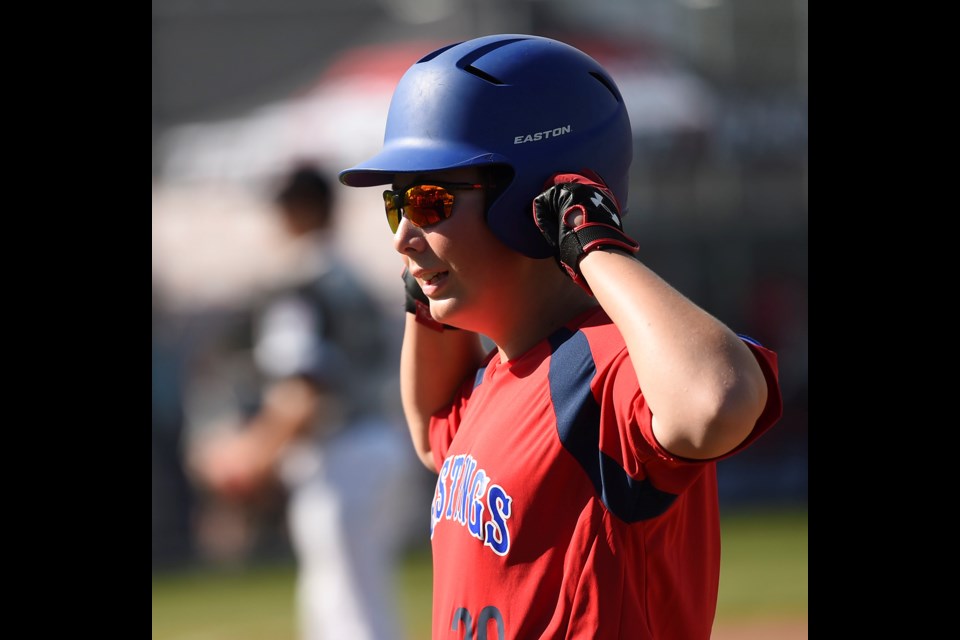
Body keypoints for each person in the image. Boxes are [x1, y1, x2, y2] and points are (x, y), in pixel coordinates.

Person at [337, 34, 784, 640]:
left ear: (534, 203)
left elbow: (718, 401)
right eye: (397, 205)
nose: (401, 235)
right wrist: (426, 281)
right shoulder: (504, 372)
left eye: (430, 200)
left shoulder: (604, 364)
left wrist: (594, 246)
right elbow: (429, 429)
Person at [189, 164, 415, 640]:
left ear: (296, 210)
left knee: (346, 613)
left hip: (342, 454)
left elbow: (303, 391)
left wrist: (250, 458)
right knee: (358, 601)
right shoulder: (348, 275)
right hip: (382, 443)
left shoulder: (301, 282)